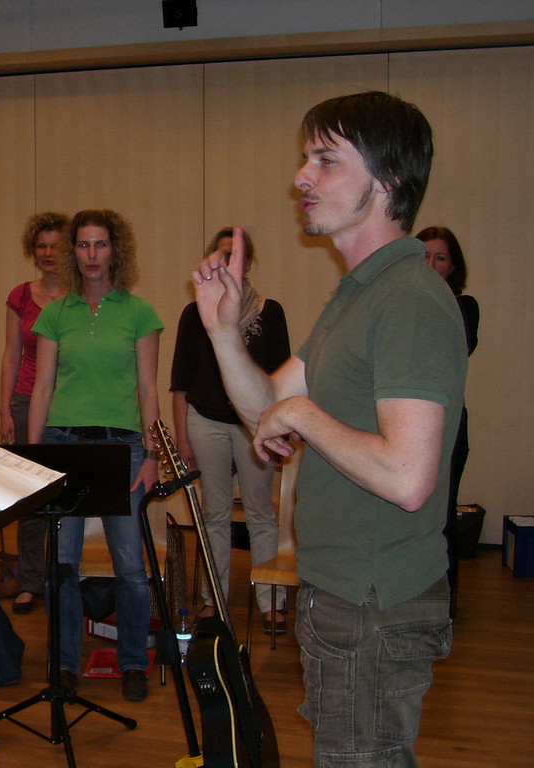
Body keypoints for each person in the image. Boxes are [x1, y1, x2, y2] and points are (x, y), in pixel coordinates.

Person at [191, 91, 467, 766]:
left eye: (325, 160)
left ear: (387, 181)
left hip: (374, 603)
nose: (301, 178)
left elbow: (408, 477)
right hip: (340, 592)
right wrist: (224, 334)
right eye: (305, 159)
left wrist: (305, 418)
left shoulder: (409, 299)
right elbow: (267, 408)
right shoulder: (358, 296)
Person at [28, 209, 163, 703]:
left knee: (130, 566)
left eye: (100, 244)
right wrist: (32, 456)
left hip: (121, 448)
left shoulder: (140, 312)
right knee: (62, 566)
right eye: (83, 245)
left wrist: (152, 454)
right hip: (63, 444)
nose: (91, 255)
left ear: (115, 250)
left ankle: (132, 663)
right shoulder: (54, 314)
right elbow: (42, 388)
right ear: (72, 251)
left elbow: (148, 390)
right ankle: (64, 664)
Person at [170, 227, 290, 632]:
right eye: (219, 255)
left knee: (261, 513)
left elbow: (280, 380)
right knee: (215, 513)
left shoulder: (270, 312)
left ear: (248, 263)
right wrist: (182, 439)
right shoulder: (194, 313)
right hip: (205, 421)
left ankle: (271, 601)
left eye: (234, 256)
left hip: (255, 426)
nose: (226, 263)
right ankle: (213, 600)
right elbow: (181, 383)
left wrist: (278, 433)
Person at [0, 211, 68, 615]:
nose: (47, 253)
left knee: (69, 497)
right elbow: (11, 355)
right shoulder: (21, 295)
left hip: (69, 406)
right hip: (27, 402)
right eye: (41, 246)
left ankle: (66, 578)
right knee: (31, 499)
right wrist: (6, 411)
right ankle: (29, 581)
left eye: (55, 246)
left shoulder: (81, 296)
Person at [417, 225, 479, 615]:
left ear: (452, 266)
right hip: (402, 422)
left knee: (442, 513)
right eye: (423, 256)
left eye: (440, 257)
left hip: (447, 423)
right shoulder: (399, 303)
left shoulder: (464, 306)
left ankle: (444, 599)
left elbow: (453, 348)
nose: (431, 264)